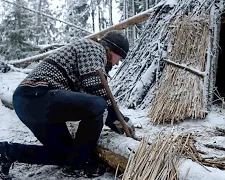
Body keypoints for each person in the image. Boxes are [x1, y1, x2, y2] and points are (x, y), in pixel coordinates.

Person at [0, 30, 135, 178]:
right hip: (37, 95)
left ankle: (6, 152)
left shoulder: (92, 56)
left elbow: (87, 99)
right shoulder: (94, 47)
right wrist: (120, 122)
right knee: (99, 105)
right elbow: (96, 90)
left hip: (28, 103)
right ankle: (80, 164)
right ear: (111, 49)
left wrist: (118, 122)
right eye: (119, 58)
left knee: (66, 155)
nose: (117, 63)